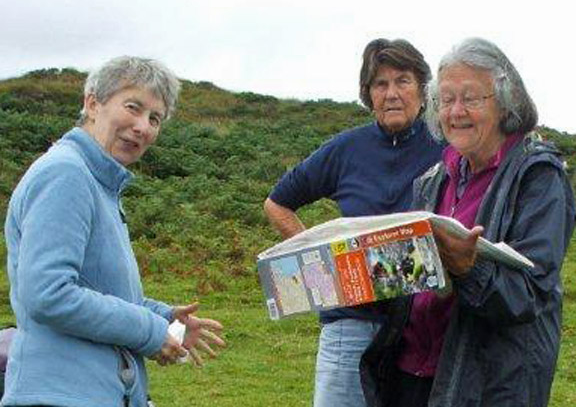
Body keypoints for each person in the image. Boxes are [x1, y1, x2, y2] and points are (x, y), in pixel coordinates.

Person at [361, 38, 575, 407]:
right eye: (445, 100)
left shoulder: (538, 177)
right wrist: (364, 278)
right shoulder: (433, 180)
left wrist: (468, 268)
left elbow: (529, 298)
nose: (456, 111)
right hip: (409, 376)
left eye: (471, 98)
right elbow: (415, 280)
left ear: (505, 102)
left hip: (484, 388)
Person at [2, 56, 225, 407]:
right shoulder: (66, 174)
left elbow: (96, 287)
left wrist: (163, 317)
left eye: (155, 119)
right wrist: (150, 332)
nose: (143, 127)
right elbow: (49, 293)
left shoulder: (97, 181)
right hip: (61, 394)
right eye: (133, 107)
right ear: (92, 103)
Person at [264, 39, 444, 407]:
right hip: (351, 326)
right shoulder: (346, 148)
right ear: (368, 94)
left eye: (403, 81)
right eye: (380, 84)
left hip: (422, 328)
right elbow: (277, 204)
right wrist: (323, 273)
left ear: (424, 90)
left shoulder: (447, 147)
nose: (391, 93)